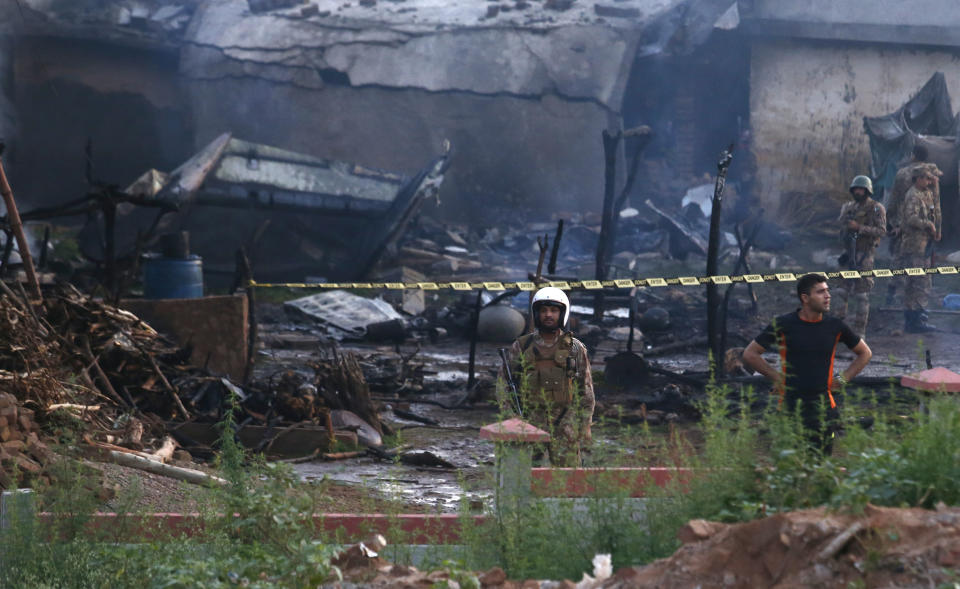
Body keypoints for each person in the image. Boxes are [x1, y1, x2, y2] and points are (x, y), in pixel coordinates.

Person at [742, 273, 872, 454]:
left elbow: (865, 353)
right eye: (820, 292)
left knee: (822, 462)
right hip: (791, 407)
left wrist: (843, 379)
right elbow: (750, 354)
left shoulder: (835, 326)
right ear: (805, 298)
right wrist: (777, 377)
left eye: (827, 291)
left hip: (824, 407)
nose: (828, 296)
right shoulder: (784, 324)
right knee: (790, 462)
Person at [499, 287, 594, 467]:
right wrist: (512, 419)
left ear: (562, 313)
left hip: (565, 422)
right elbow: (503, 386)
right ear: (536, 314)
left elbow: (586, 390)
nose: (548, 315)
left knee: (568, 479)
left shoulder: (575, 348)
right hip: (529, 422)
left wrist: (584, 425)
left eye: (553, 310)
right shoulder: (521, 346)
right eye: (543, 310)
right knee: (526, 477)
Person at [886, 145, 941, 304]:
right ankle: (918, 298)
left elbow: (894, 199)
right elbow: (935, 202)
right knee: (923, 259)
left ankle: (892, 292)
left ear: (913, 155)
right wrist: (936, 226)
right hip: (924, 223)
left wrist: (890, 221)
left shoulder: (903, 173)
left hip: (903, 222)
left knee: (899, 257)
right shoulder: (932, 175)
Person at [834, 175, 886, 336]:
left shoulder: (876, 208)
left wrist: (860, 228)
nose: (858, 192)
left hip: (864, 255)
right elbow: (840, 225)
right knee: (841, 292)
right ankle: (837, 330)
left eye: (861, 189)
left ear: (868, 190)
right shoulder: (848, 207)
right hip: (848, 254)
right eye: (856, 189)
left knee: (862, 295)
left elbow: (881, 231)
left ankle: (859, 333)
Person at [898, 164, 941, 332]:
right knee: (918, 282)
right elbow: (910, 218)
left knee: (921, 281)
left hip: (925, 245)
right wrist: (927, 225)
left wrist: (935, 228)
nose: (930, 181)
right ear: (918, 178)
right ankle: (914, 321)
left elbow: (934, 210)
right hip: (915, 246)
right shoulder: (913, 195)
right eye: (927, 178)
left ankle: (917, 318)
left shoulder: (926, 194)